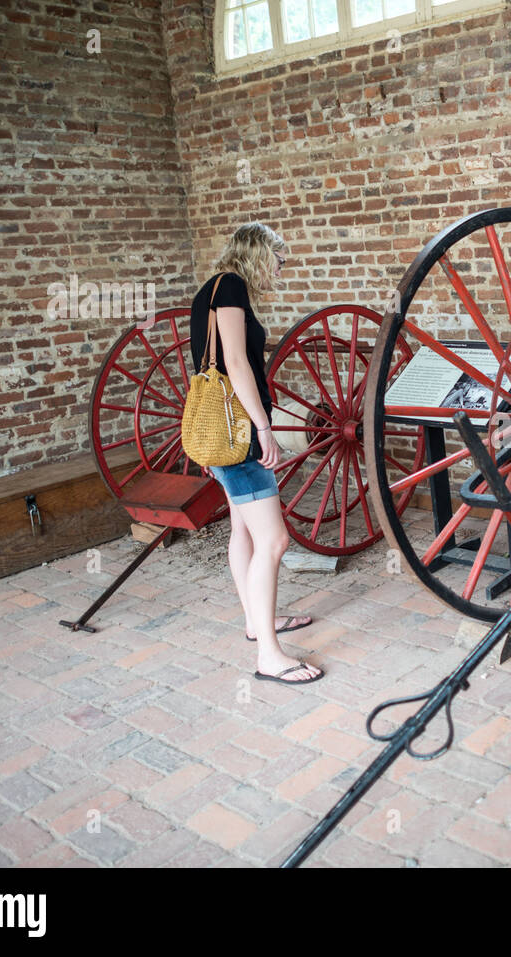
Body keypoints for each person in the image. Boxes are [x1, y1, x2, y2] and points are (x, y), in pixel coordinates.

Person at [190, 223, 323, 685]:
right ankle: (270, 655)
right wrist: (263, 428)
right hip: (239, 434)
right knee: (275, 541)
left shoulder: (211, 289)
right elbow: (236, 363)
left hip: (219, 433)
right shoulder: (230, 287)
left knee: (243, 530)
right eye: (278, 261)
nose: (280, 271)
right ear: (258, 254)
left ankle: (254, 621)